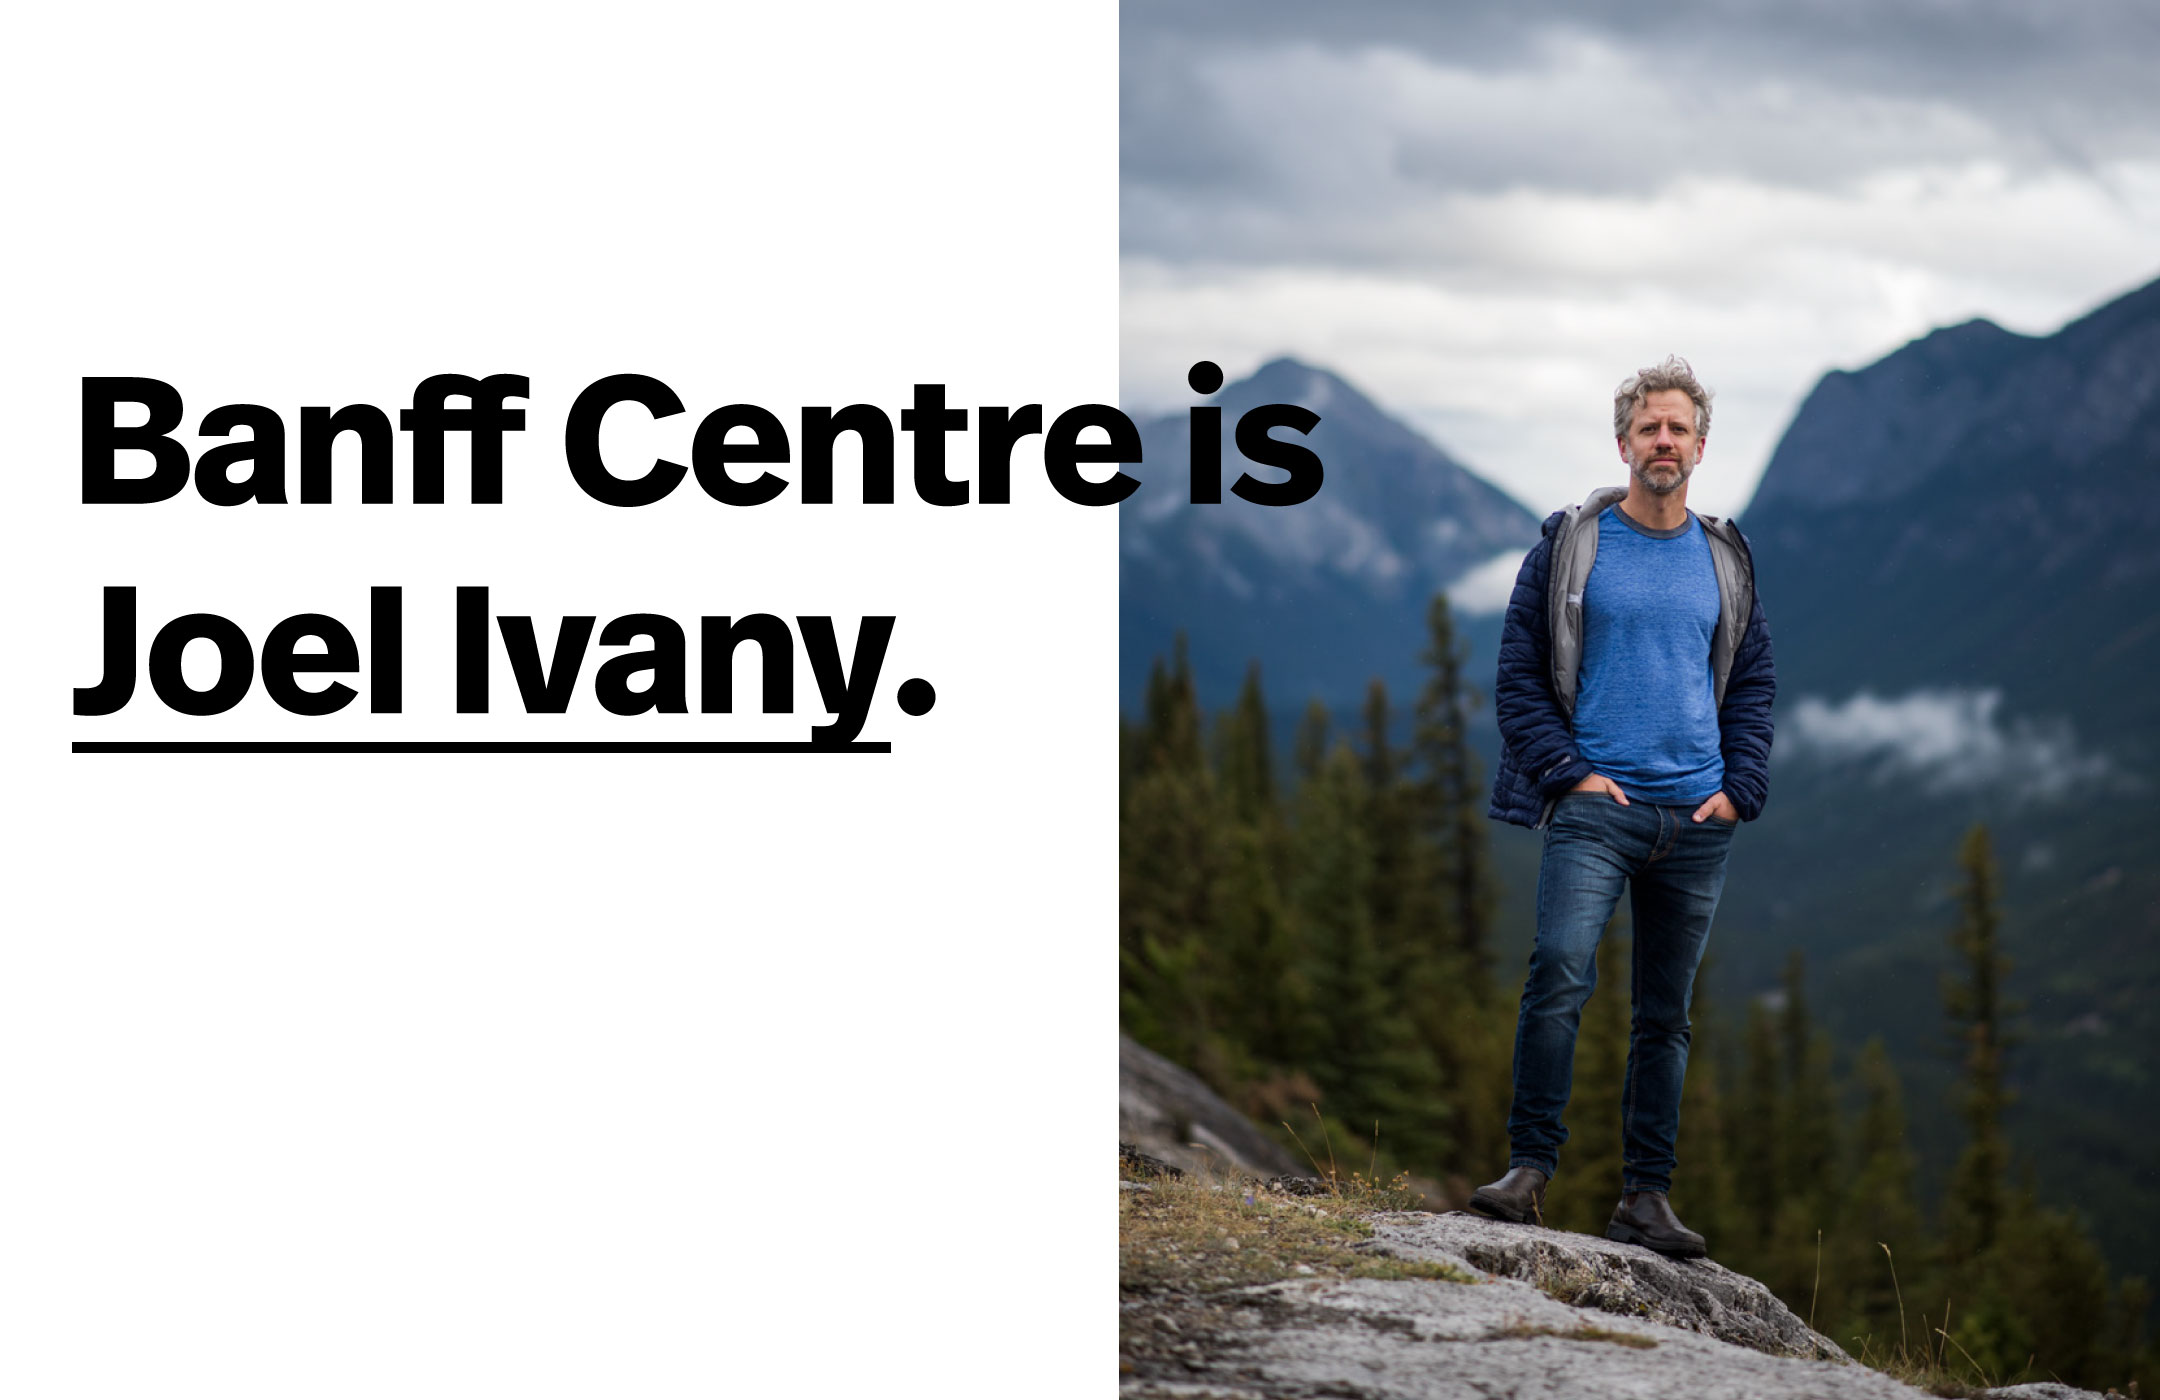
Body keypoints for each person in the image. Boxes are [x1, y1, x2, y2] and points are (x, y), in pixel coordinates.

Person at [1470, 356, 1775, 1258]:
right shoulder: (1572, 547)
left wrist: (1739, 790)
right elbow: (1518, 677)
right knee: (1559, 975)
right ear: (1623, 444)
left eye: (1679, 428)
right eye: (1650, 428)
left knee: (1664, 1016)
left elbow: (1752, 681)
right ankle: (1530, 1171)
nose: (1664, 442)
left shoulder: (1725, 558)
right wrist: (1567, 774)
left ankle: (1645, 1198)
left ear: (1701, 447)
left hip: (1697, 821)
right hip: (1596, 810)